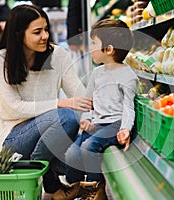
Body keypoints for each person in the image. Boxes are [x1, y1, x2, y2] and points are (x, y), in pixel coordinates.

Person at [0, 4, 93, 195]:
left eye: (46, 30)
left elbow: (79, 94)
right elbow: (15, 107)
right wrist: (60, 103)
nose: (45, 36)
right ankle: (43, 176)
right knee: (67, 117)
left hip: (50, 135)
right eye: (37, 32)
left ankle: (48, 177)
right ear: (19, 34)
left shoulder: (58, 55)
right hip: (16, 140)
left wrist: (90, 116)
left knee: (86, 153)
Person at [52, 18, 139, 200]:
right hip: (97, 123)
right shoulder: (97, 73)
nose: (90, 47)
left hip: (114, 124)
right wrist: (88, 117)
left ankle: (96, 189)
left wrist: (125, 129)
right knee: (73, 153)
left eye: (94, 43)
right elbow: (89, 101)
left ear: (109, 50)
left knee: (89, 147)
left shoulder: (128, 76)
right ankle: (75, 187)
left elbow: (128, 106)